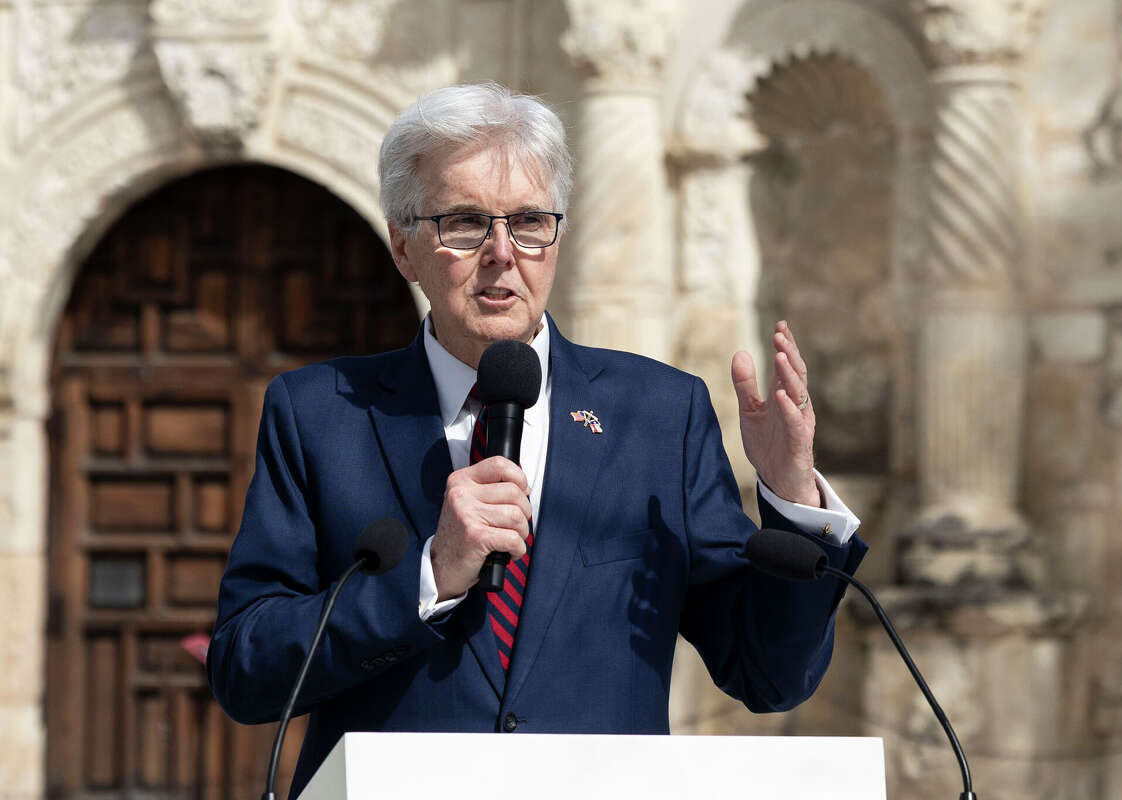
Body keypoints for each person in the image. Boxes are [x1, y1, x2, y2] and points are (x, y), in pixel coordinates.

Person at [208, 83, 867, 798]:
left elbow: (769, 676)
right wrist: (429, 577)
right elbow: (247, 670)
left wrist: (793, 497)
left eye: (528, 222)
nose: (501, 253)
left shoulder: (659, 414)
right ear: (403, 246)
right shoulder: (319, 415)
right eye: (463, 222)